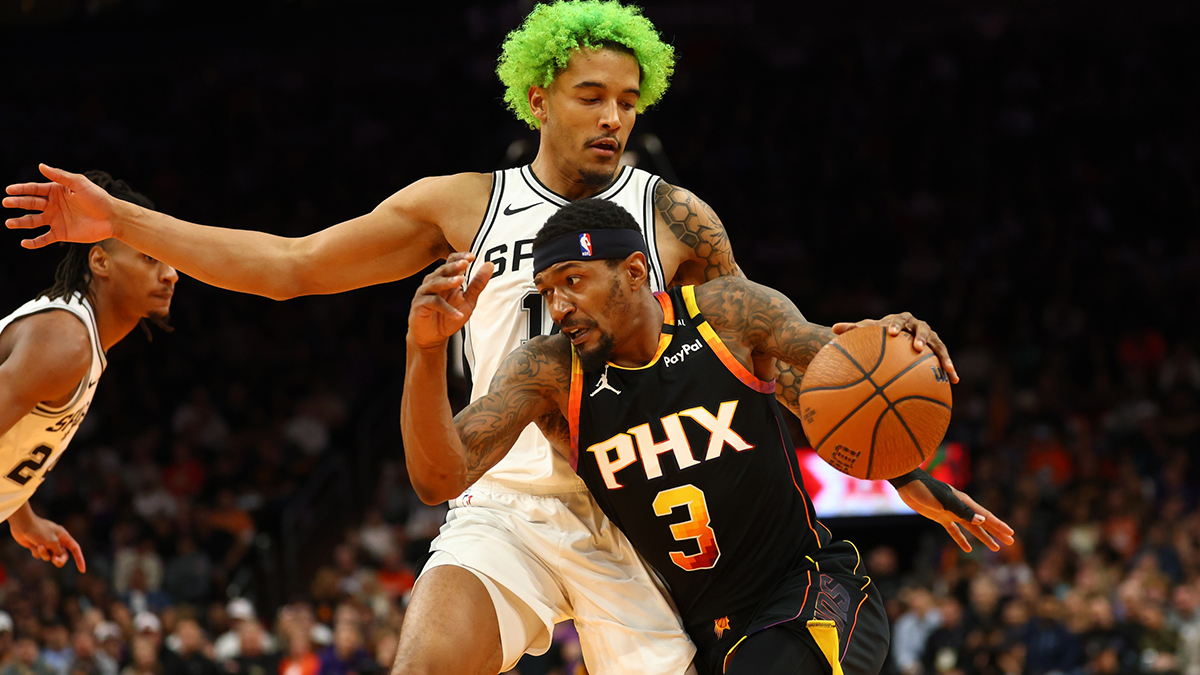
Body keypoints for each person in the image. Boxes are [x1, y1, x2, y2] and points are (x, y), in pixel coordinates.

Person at [5, 3, 970, 672]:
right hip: (506, 495)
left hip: (649, 510)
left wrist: (891, 453)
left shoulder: (677, 216)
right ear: (540, 95)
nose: (615, 116)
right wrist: (119, 222)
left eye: (631, 100)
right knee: (424, 661)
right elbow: (289, 265)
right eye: (593, 94)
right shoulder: (462, 206)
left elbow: (764, 357)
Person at [401, 199, 1015, 675]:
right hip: (703, 631)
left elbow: (841, 378)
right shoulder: (549, 371)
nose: (558, 306)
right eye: (547, 291)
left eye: (573, 280)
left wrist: (891, 354)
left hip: (806, 591)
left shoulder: (728, 314)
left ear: (636, 271)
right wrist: (425, 353)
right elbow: (440, 478)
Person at [0, 170, 176, 573]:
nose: (171, 274)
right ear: (100, 260)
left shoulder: (76, 338)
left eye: (170, 261)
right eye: (151, 258)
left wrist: (20, 514)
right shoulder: (68, 342)